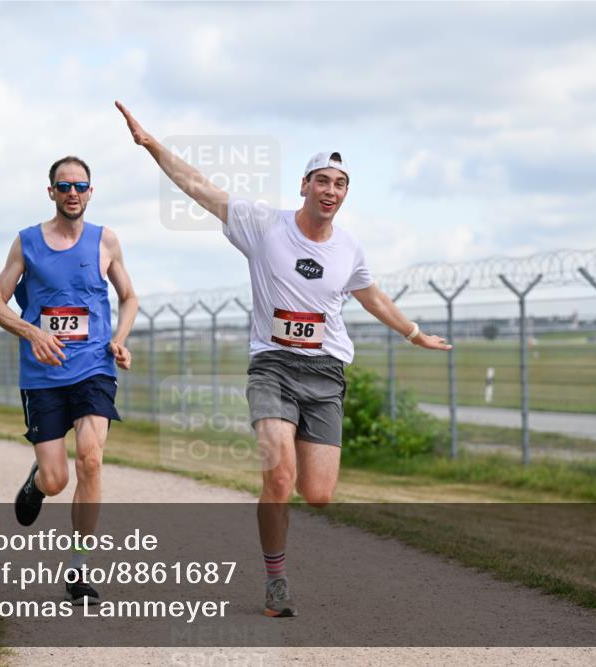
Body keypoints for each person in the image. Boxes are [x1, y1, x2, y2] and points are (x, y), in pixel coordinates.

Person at [116, 101, 451, 618]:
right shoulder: (262, 225)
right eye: (322, 181)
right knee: (278, 477)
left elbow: (371, 296)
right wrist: (153, 145)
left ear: (344, 194)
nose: (330, 191)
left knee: (316, 494)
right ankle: (276, 582)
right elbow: (200, 187)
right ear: (304, 185)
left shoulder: (349, 249)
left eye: (340, 184)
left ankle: (289, 512)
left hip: (325, 371)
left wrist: (412, 333)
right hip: (272, 365)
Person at [0, 155, 139, 604]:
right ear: (51, 192)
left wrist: (119, 339)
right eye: (64, 185)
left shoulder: (105, 240)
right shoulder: (26, 243)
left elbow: (129, 297)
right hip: (43, 373)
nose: (73, 192)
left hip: (93, 366)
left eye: (81, 185)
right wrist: (31, 331)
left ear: (91, 192)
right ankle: (38, 482)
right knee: (58, 480)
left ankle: (78, 568)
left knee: (91, 459)